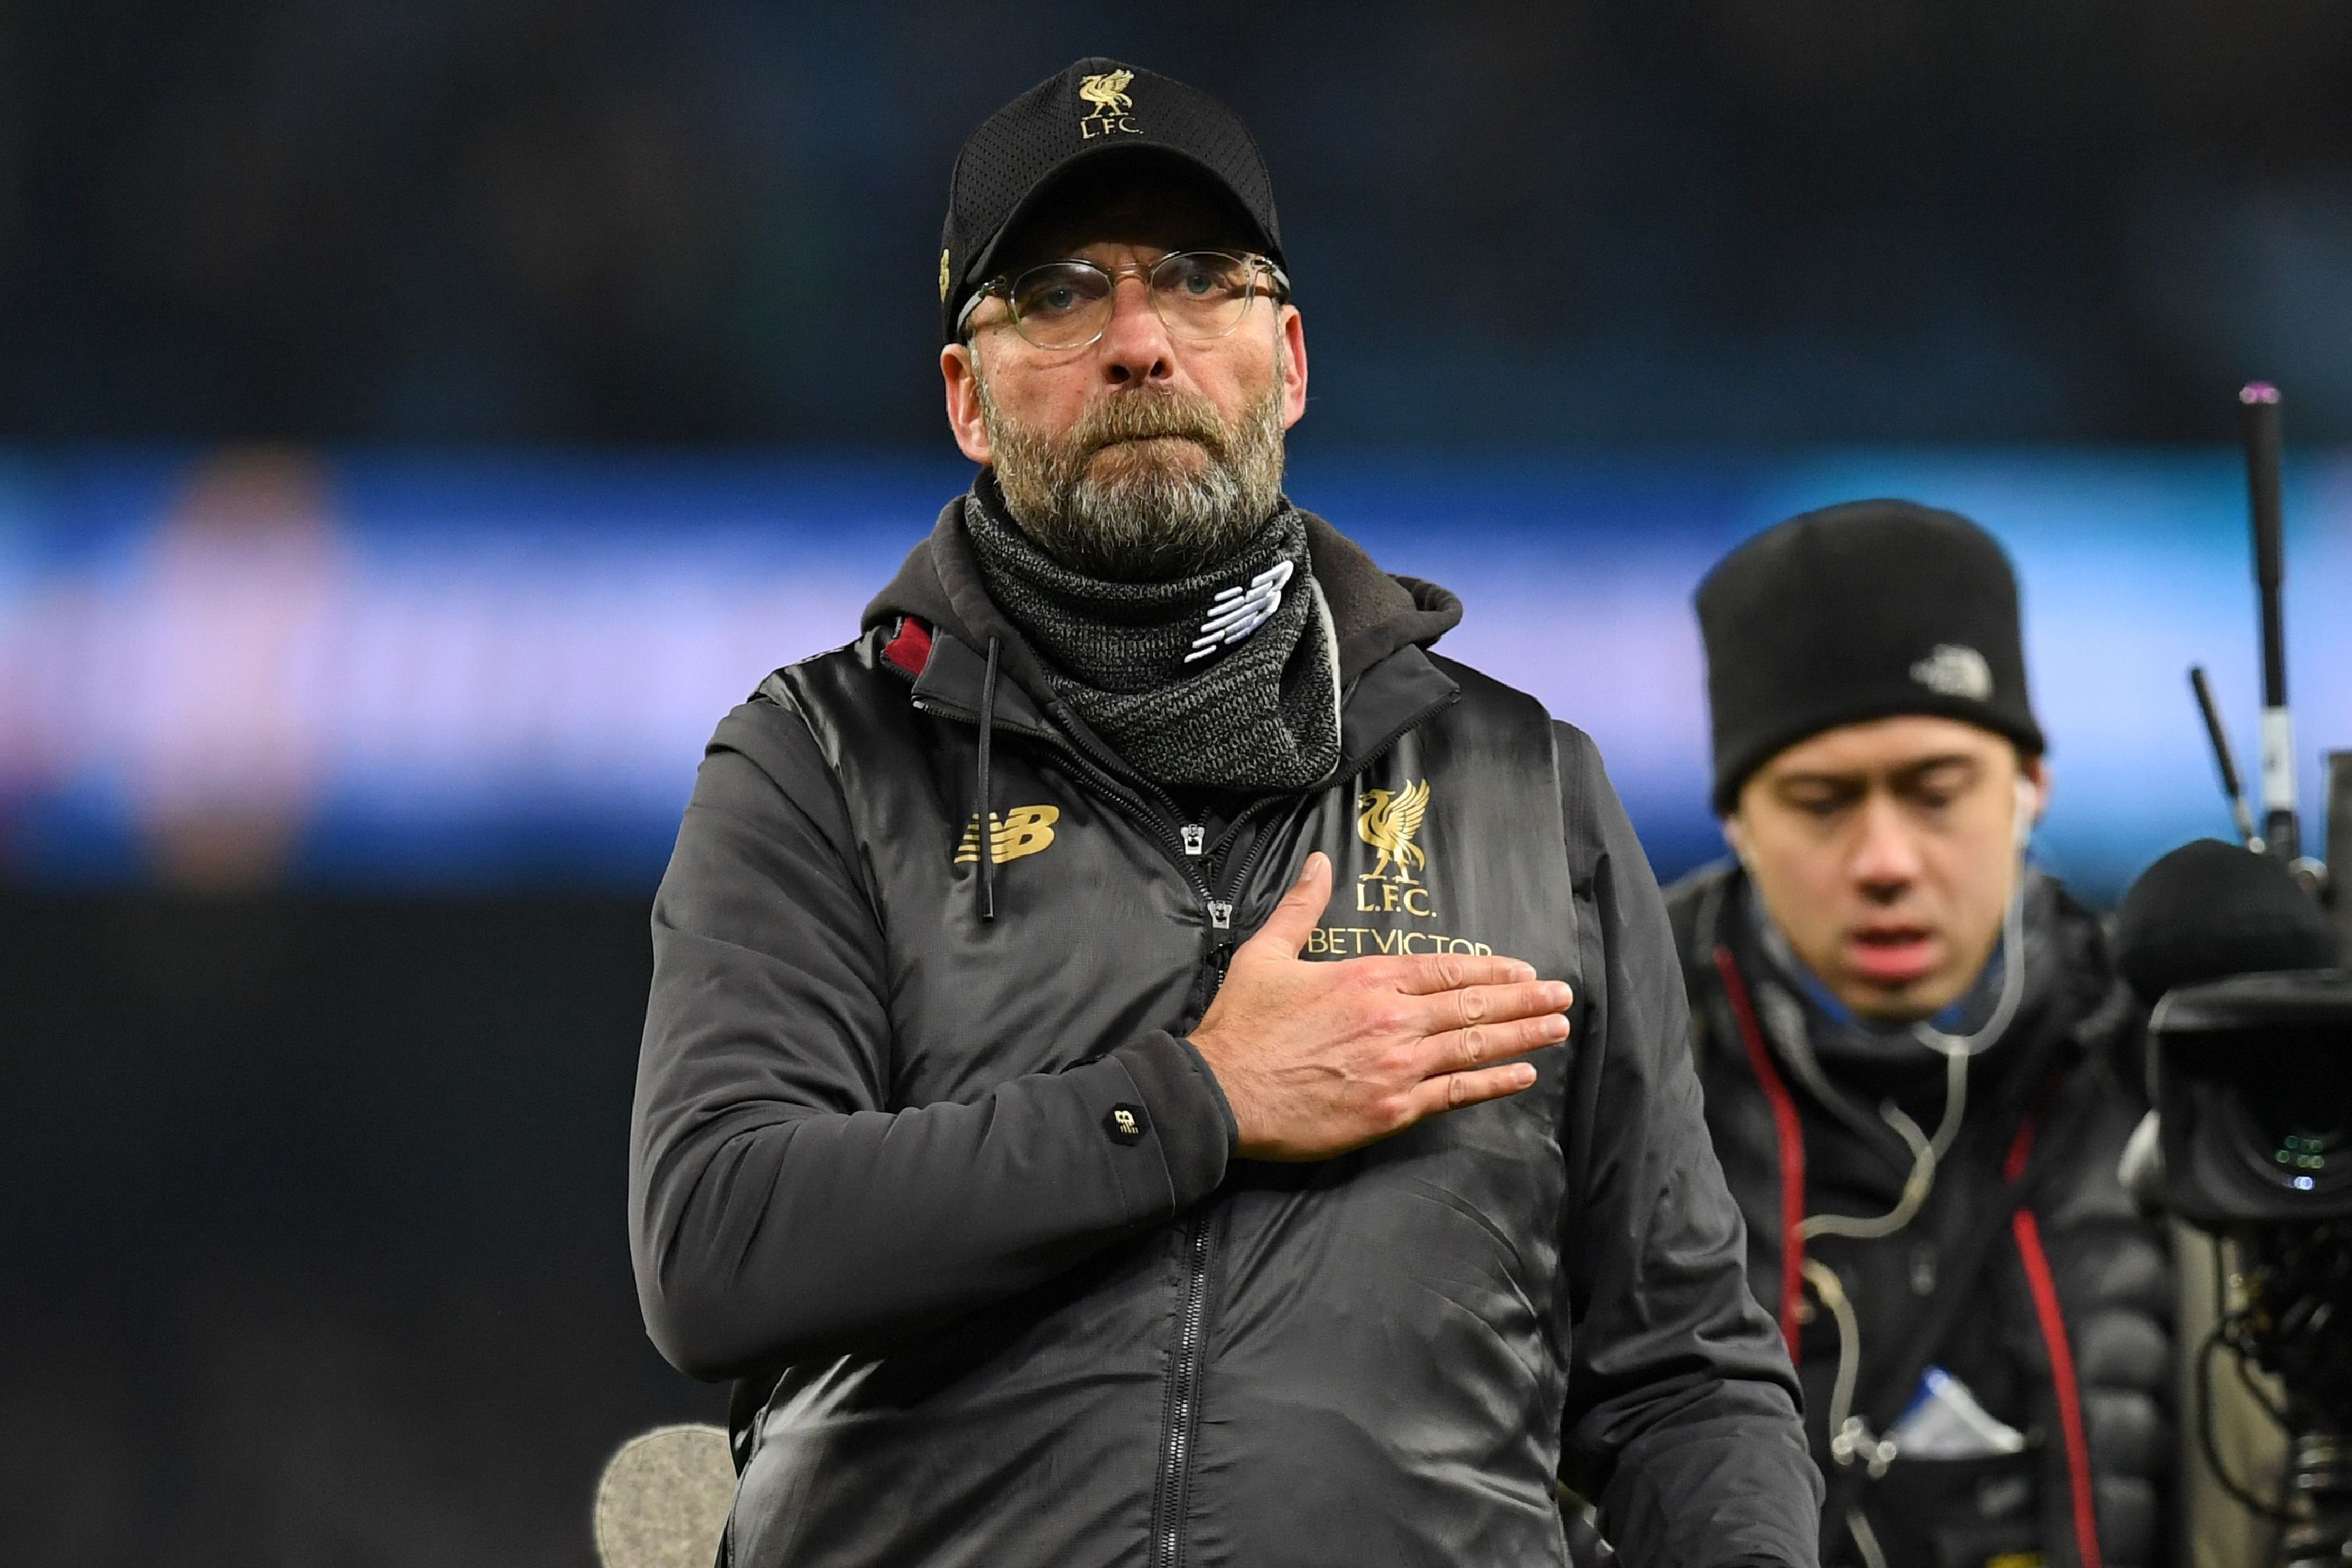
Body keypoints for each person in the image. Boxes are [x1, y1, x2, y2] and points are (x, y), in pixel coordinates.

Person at [628, 56, 1819, 1568]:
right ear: (966, 398)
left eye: (1198, 280)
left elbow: (1683, 1376)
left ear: (1292, 359)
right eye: (1058, 294)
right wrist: (1195, 1101)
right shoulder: (822, 761)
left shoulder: (1527, 789)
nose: (1139, 343)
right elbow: (719, 1246)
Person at [1666, 501, 2173, 1568]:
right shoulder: (1610, 1061)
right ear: (1736, 820)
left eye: (1937, 793)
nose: (1886, 858)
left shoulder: (2159, 1050)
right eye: (1820, 802)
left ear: (2030, 787)